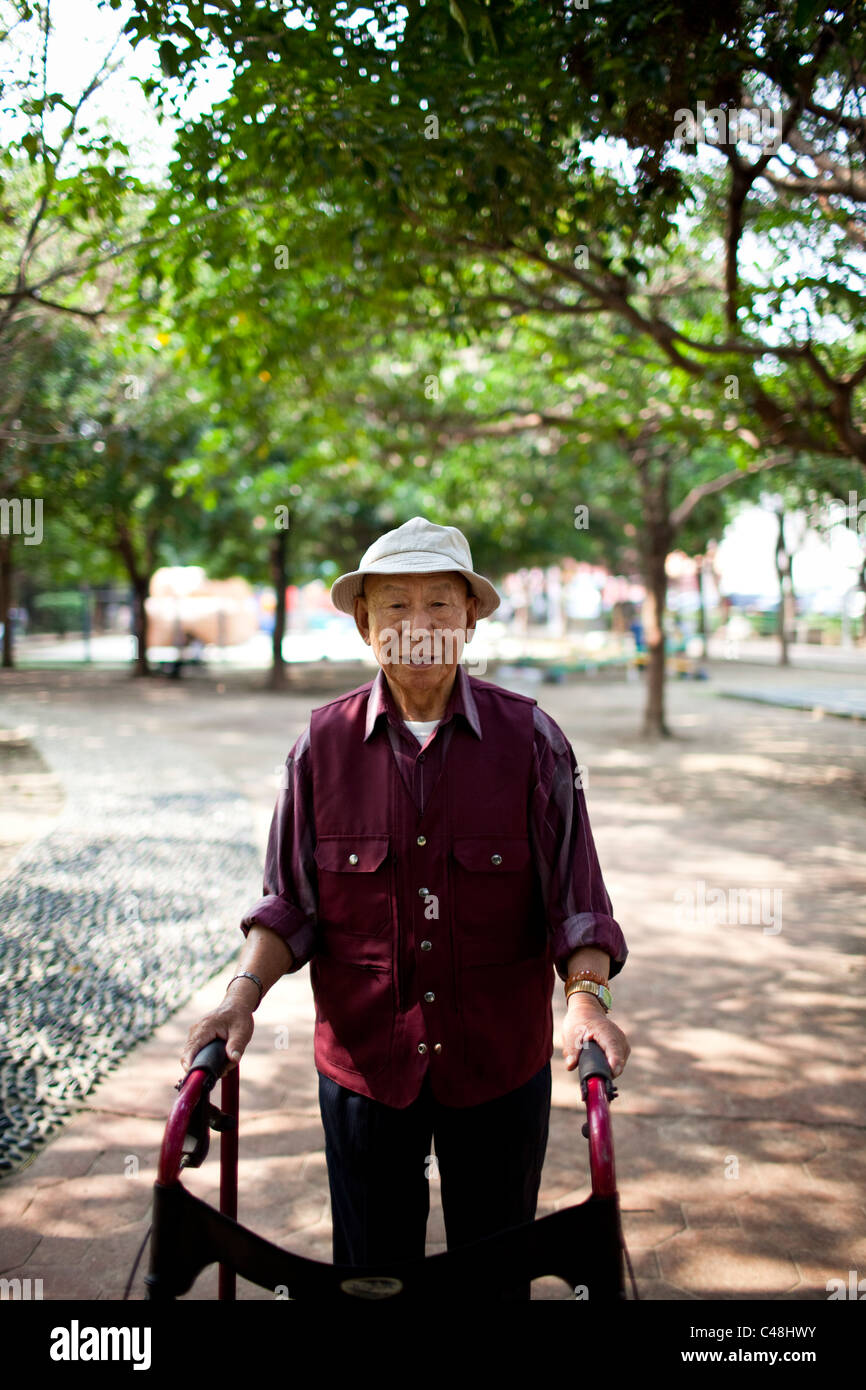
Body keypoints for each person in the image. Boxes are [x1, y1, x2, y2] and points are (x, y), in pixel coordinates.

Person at [181, 516, 630, 1299]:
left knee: (493, 1277)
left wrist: (586, 1003)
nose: (417, 626)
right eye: (394, 607)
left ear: (470, 620)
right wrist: (238, 1000)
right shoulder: (318, 747)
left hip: (497, 1062)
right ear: (363, 624)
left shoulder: (533, 741)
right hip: (364, 1065)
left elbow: (577, 903)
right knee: (372, 1277)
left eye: (438, 606)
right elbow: (290, 905)